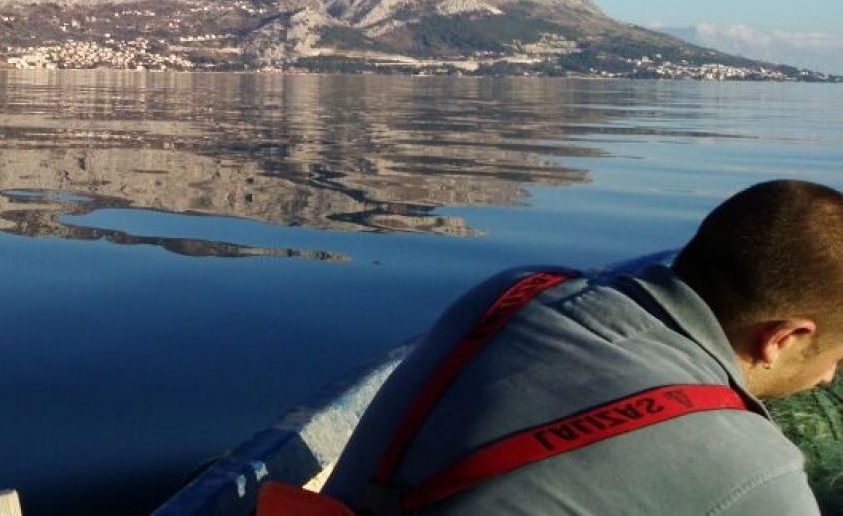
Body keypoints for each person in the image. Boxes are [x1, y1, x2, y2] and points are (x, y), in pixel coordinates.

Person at [269, 180, 843, 514]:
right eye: (837, 357)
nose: (828, 377)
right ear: (784, 339)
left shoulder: (512, 292)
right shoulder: (756, 469)